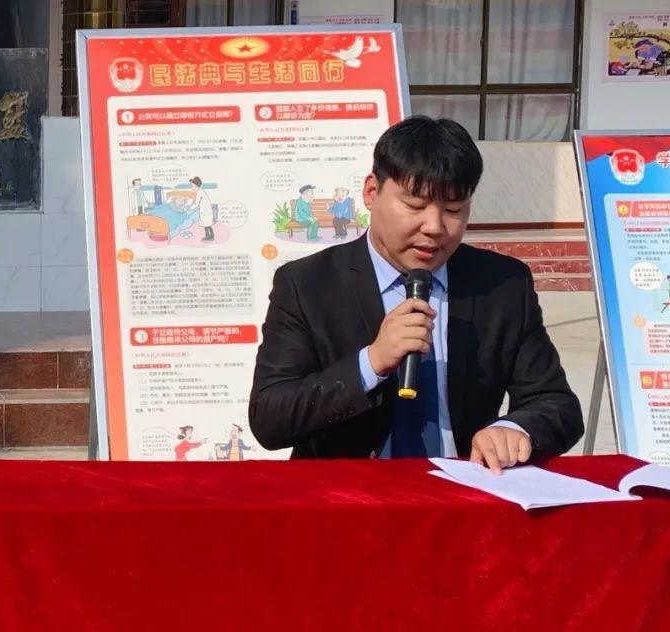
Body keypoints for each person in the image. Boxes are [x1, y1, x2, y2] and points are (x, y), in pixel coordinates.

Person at [249, 115, 583, 473]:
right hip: (349, 492)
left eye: (453, 210)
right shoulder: (307, 284)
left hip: (464, 491)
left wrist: (514, 429)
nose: (434, 227)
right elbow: (270, 418)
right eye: (415, 205)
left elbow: (556, 403)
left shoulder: (502, 284)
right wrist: (371, 363)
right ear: (372, 192)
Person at [190, 176, 215, 241]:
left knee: (206, 225)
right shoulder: (201, 191)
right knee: (207, 225)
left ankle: (209, 236)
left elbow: (196, 204)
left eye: (193, 186)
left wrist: (190, 208)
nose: (192, 188)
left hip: (205, 211)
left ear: (196, 186)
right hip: (206, 210)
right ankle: (210, 236)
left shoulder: (199, 193)